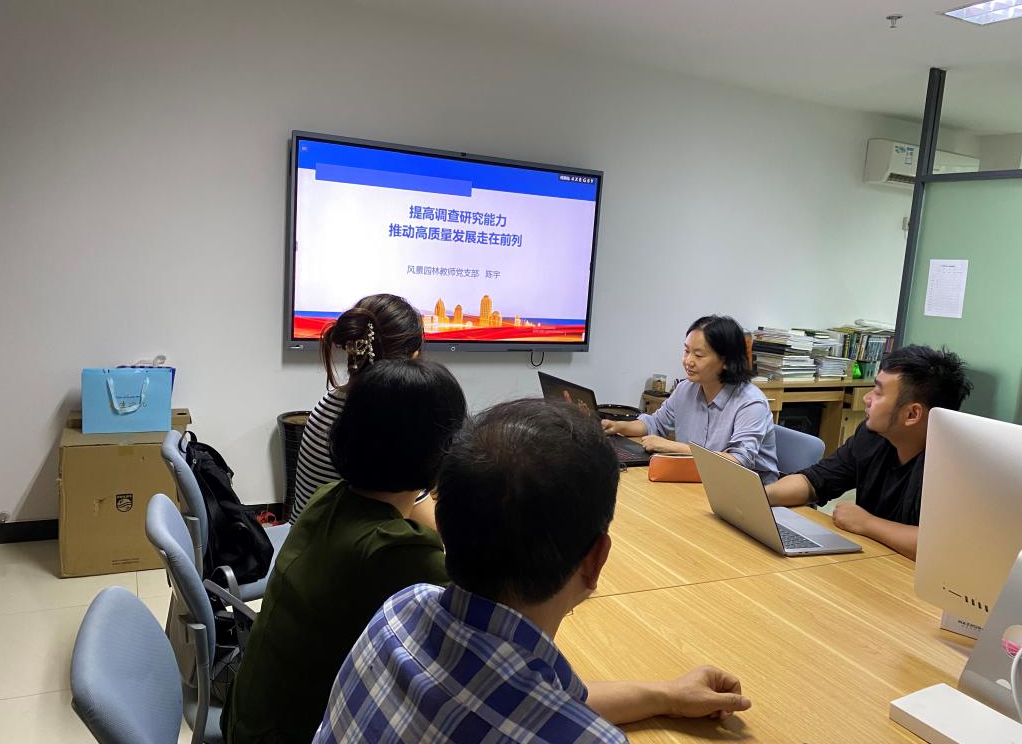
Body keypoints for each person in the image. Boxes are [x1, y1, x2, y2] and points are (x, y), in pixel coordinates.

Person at [313, 399, 751, 743]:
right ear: (596, 560)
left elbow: (538, 702)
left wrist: (667, 696)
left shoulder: (401, 609)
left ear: (441, 520)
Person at [223, 359, 467, 744]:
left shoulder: (329, 498)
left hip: (248, 715)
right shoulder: (397, 553)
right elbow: (484, 614)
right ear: (442, 451)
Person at [765, 345, 972, 560]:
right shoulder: (872, 436)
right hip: (872, 560)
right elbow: (814, 481)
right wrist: (761, 496)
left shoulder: (954, 466)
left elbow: (942, 547)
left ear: (912, 414)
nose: (867, 398)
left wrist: (868, 524)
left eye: (878, 392)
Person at [291, 293, 430, 523]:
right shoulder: (382, 424)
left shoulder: (332, 400)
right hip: (340, 545)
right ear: (413, 359)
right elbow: (434, 528)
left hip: (307, 537)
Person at [603, 314, 778, 483]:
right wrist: (618, 426)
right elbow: (655, 423)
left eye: (698, 355)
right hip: (699, 479)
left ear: (726, 361)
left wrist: (672, 447)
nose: (688, 361)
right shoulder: (685, 389)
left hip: (746, 491)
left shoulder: (750, 403)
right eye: (686, 351)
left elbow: (738, 461)